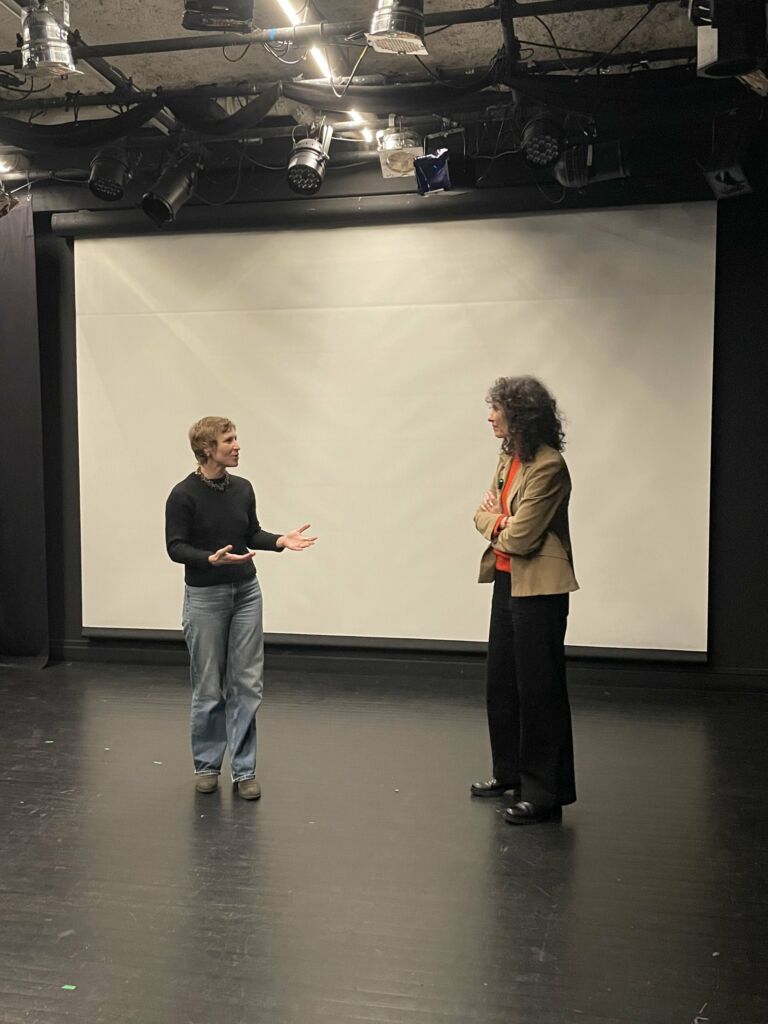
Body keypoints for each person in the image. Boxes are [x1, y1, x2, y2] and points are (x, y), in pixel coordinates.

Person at [165, 416, 316, 799]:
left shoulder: (243, 488)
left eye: (235, 438)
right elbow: (175, 547)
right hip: (206, 597)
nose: (237, 446)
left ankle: (244, 770)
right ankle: (207, 766)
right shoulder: (183, 495)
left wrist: (280, 540)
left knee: (247, 683)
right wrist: (208, 559)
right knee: (209, 685)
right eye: (228, 440)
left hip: (246, 592)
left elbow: (250, 533)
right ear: (207, 449)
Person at [471, 377, 578, 825]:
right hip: (506, 580)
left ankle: (544, 794)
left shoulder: (549, 466)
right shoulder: (507, 459)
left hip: (540, 589)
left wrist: (495, 520)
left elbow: (522, 536)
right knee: (501, 683)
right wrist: (497, 519)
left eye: (497, 409)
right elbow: (480, 514)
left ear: (520, 416)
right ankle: (508, 773)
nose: (490, 417)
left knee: (539, 689)